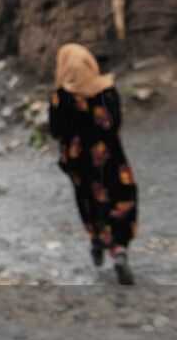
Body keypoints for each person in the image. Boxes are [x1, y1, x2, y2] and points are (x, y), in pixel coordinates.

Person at [47, 43, 139, 285]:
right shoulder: (107, 91)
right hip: (110, 158)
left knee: (90, 200)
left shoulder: (61, 98)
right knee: (121, 196)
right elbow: (116, 122)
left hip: (80, 164)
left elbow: (56, 131)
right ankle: (118, 248)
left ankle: (97, 240)